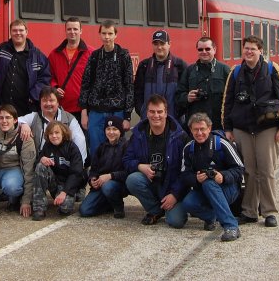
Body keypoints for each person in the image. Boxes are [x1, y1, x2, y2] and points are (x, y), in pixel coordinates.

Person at [222, 36, 279, 228]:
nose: (249, 52)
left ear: (261, 51)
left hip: (267, 128)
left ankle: (269, 212)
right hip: (242, 128)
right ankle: (249, 211)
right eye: (246, 48)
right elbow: (227, 102)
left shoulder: (272, 70)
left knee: (266, 171)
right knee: (249, 171)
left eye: (253, 49)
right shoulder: (235, 72)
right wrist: (227, 128)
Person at [124, 94, 189, 227]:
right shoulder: (138, 134)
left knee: (175, 221)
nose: (156, 116)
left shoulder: (180, 136)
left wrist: (175, 194)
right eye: (152, 112)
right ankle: (155, 210)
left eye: (160, 112)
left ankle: (171, 206)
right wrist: (140, 166)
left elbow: (187, 171)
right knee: (133, 179)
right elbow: (126, 160)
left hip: (172, 187)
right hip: (152, 185)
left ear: (166, 113)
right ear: (146, 113)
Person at [180, 113, 245, 242]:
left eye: (202, 129)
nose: (199, 133)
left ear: (209, 128)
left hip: (228, 189)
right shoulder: (188, 149)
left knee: (209, 183)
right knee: (187, 203)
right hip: (203, 189)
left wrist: (223, 176)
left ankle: (231, 226)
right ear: (190, 130)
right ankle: (211, 217)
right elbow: (184, 175)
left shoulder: (221, 144)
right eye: (195, 129)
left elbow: (240, 169)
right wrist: (196, 179)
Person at [79, 20, 134, 154]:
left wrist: (127, 116)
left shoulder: (123, 55)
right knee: (96, 149)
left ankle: (115, 175)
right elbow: (85, 84)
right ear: (100, 34)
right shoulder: (94, 56)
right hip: (96, 112)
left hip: (117, 111)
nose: (107, 37)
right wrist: (84, 111)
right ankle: (95, 174)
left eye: (110, 33)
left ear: (116, 35)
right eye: (104, 33)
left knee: (117, 149)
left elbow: (129, 86)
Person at [0, 19, 51, 118]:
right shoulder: (1, 50)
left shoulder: (37, 55)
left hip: (27, 109)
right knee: (2, 133)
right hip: (1, 108)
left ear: (26, 32)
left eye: (21, 30)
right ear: (10, 32)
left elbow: (45, 78)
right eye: (14, 30)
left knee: (25, 133)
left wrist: (34, 95)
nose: (18, 33)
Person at [18, 86, 87, 164]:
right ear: (40, 103)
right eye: (44, 100)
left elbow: (80, 140)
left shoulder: (69, 119)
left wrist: (80, 164)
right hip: (40, 162)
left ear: (58, 102)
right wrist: (23, 124)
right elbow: (15, 120)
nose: (48, 104)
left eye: (51, 100)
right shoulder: (34, 117)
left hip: (63, 163)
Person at [32, 121, 85, 221]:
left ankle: (78, 192)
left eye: (57, 133)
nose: (54, 136)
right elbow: (35, 166)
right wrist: (41, 159)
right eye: (51, 134)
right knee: (40, 166)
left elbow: (76, 173)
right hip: (55, 183)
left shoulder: (72, 148)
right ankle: (39, 208)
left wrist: (65, 192)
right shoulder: (47, 146)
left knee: (65, 209)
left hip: (67, 184)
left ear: (63, 133)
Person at [79, 115, 129, 218]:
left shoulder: (126, 146)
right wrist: (92, 180)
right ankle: (108, 203)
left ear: (120, 131)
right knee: (85, 210)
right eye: (108, 129)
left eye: (115, 129)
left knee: (108, 186)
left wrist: (110, 176)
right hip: (101, 184)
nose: (111, 132)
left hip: (118, 183)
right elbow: (94, 170)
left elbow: (129, 171)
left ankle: (118, 206)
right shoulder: (101, 148)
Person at [176, 36, 230, 130]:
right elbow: (178, 96)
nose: (204, 52)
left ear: (214, 50)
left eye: (207, 49)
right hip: (195, 128)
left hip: (218, 126)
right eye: (200, 49)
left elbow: (231, 98)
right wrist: (187, 98)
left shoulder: (225, 70)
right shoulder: (189, 71)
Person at [134, 29, 187, 120]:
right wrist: (143, 112)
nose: (159, 47)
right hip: (149, 120)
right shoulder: (144, 65)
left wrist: (177, 113)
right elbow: (137, 93)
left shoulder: (180, 65)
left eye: (162, 44)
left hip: (174, 121)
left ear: (169, 44)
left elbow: (184, 94)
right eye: (156, 44)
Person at [48, 17, 92, 122]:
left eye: (75, 29)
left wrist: (87, 108)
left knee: (83, 138)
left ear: (81, 31)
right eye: (69, 29)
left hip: (84, 110)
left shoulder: (91, 53)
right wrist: (54, 87)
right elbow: (49, 76)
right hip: (62, 108)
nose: (72, 32)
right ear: (65, 31)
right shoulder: (54, 54)